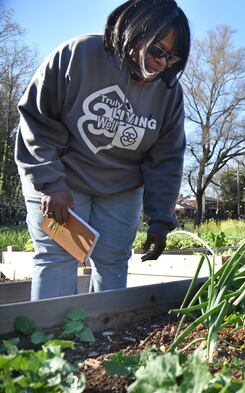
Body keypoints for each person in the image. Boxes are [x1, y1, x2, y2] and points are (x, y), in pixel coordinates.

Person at [15, 0, 190, 300]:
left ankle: (104, 340)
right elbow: (38, 120)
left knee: (113, 262)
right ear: (135, 32)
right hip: (62, 176)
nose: (162, 63)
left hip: (120, 187)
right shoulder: (79, 55)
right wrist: (51, 183)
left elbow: (167, 159)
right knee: (59, 257)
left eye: (171, 58)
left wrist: (161, 219)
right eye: (156, 51)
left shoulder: (168, 94)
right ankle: (48, 344)